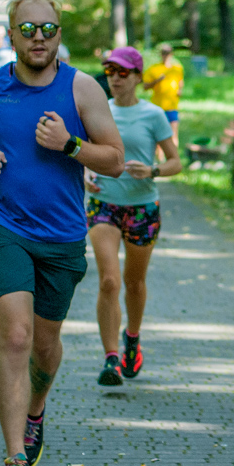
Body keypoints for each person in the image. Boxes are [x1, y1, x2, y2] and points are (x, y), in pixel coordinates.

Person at [0, 0, 124, 466]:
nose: (38, 38)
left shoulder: (82, 89)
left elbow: (113, 158)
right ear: (12, 34)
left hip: (63, 237)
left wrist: (69, 145)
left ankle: (35, 410)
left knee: (45, 349)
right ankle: (14, 460)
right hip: (1, 227)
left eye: (48, 28)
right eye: (28, 29)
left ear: (59, 33)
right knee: (18, 337)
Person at [83, 46, 182, 386]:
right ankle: (110, 357)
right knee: (108, 280)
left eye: (122, 72)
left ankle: (132, 339)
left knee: (133, 283)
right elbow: (82, 153)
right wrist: (85, 175)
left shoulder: (153, 115)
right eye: (109, 71)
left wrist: (153, 170)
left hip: (143, 208)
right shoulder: (98, 111)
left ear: (139, 77)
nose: (114, 78)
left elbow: (175, 162)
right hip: (103, 205)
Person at [142, 43, 185, 143]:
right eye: (163, 53)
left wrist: (180, 90)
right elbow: (145, 86)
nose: (166, 55)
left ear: (171, 54)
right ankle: (160, 158)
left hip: (172, 106)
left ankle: (174, 157)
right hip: (158, 107)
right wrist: (157, 81)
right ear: (160, 54)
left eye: (168, 53)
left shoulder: (177, 68)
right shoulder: (154, 69)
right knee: (158, 137)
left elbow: (180, 81)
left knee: (174, 134)